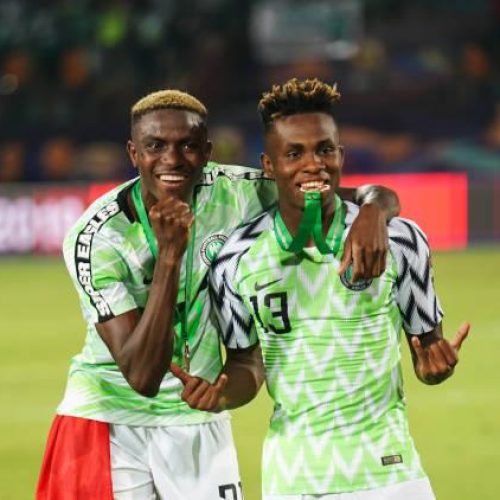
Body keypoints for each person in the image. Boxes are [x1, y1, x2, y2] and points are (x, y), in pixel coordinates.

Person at [36, 88, 400, 500]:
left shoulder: (240, 193)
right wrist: (171, 255)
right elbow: (142, 376)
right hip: (107, 422)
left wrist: (374, 211)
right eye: (155, 146)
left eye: (188, 146)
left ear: (207, 151)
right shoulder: (97, 237)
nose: (172, 160)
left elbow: (348, 194)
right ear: (133, 153)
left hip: (199, 416)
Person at [173, 78, 470, 500]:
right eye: (294, 153)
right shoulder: (235, 260)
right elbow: (246, 365)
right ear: (269, 166)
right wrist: (222, 393)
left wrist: (435, 368)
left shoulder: (402, 240)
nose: (313, 164)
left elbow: (428, 352)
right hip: (295, 479)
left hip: (391, 473)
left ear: (341, 155)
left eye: (324, 150)